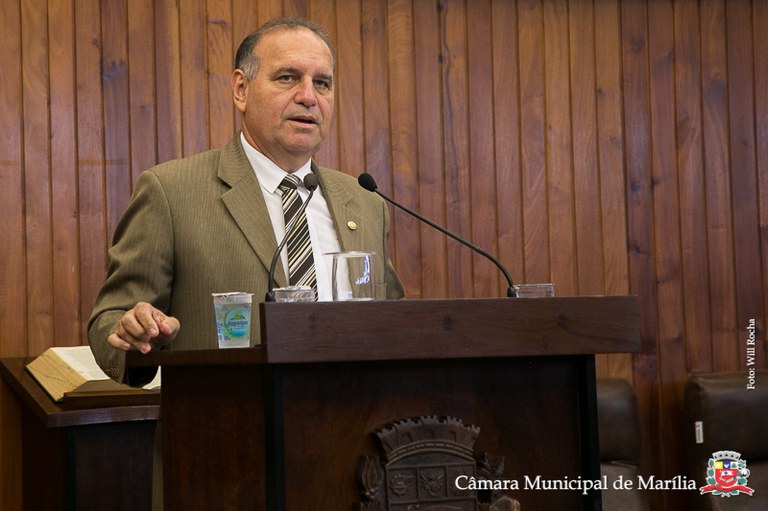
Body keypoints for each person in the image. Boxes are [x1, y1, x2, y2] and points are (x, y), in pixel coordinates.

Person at [88, 16, 404, 386]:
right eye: (287, 77)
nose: (308, 96)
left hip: (354, 416)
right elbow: (111, 320)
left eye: (322, 83)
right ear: (241, 89)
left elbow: (394, 324)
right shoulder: (171, 192)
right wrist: (135, 334)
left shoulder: (364, 201)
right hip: (230, 417)